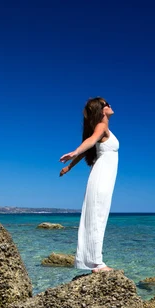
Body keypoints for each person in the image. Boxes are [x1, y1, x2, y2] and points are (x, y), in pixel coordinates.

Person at [59, 97, 119, 272]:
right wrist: (75, 152)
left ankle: (94, 260)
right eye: (107, 103)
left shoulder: (102, 128)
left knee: (98, 216)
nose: (110, 105)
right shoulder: (101, 126)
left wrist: (69, 166)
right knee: (97, 217)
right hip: (101, 177)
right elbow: (90, 142)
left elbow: (89, 147)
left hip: (105, 177)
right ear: (102, 110)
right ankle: (97, 263)